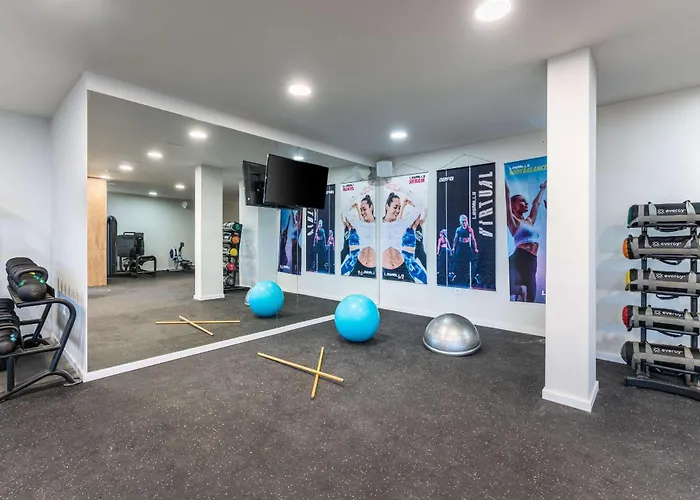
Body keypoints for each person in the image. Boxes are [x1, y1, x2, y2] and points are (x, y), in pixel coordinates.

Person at [506, 180, 547, 302]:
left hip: (532, 260)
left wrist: (542, 189)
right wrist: (503, 182)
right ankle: (519, 291)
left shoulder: (529, 221)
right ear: (513, 206)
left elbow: (536, 204)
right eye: (522, 201)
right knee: (514, 288)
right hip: (520, 258)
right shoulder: (513, 221)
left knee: (531, 296)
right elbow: (506, 195)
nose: (526, 203)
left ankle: (520, 297)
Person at [381, 190, 427, 283]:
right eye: (395, 207)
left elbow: (420, 205)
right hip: (385, 272)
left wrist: (401, 189)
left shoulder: (401, 223)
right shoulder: (377, 225)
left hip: (403, 269)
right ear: (387, 206)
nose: (397, 211)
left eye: (399, 208)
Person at [340, 194, 376, 276]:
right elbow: (344, 212)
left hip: (370, 266)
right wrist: (358, 195)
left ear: (371, 207)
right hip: (356, 260)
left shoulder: (379, 225)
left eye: (364, 209)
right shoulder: (357, 225)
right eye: (361, 210)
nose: (362, 212)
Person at [452, 215, 478, 287]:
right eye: (463, 222)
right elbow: (455, 239)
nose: (464, 223)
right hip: (460, 246)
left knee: (470, 262)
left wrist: (475, 248)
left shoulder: (470, 229)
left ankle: (472, 277)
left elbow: (473, 239)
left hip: (467, 246)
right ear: (460, 222)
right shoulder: (458, 229)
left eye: (465, 221)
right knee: (457, 261)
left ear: (467, 222)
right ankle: (456, 276)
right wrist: (453, 247)